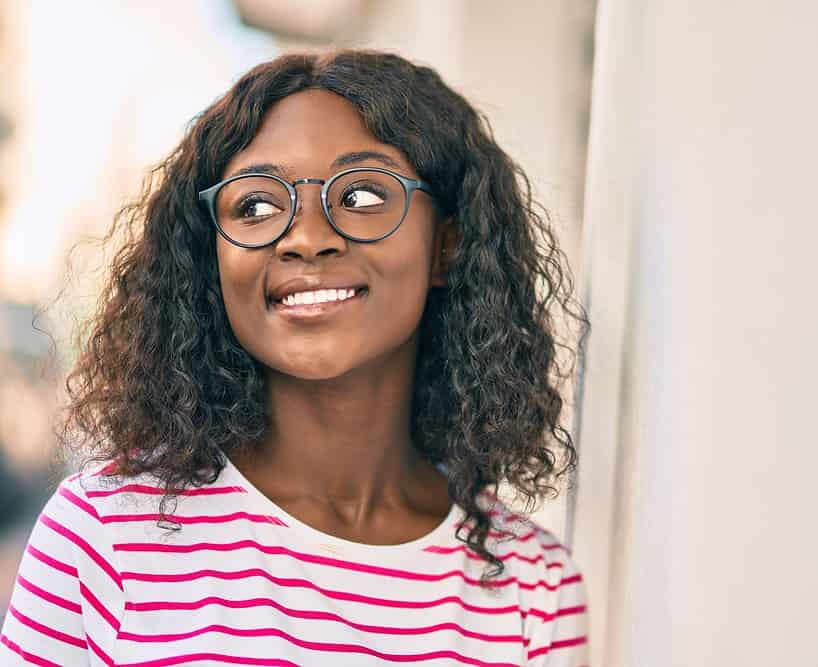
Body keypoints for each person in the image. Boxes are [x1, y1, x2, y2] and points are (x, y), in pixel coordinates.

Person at [0, 50, 589, 666]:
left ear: (448, 243)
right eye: (255, 206)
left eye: (362, 194)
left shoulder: (534, 589)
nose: (306, 237)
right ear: (212, 258)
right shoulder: (104, 537)